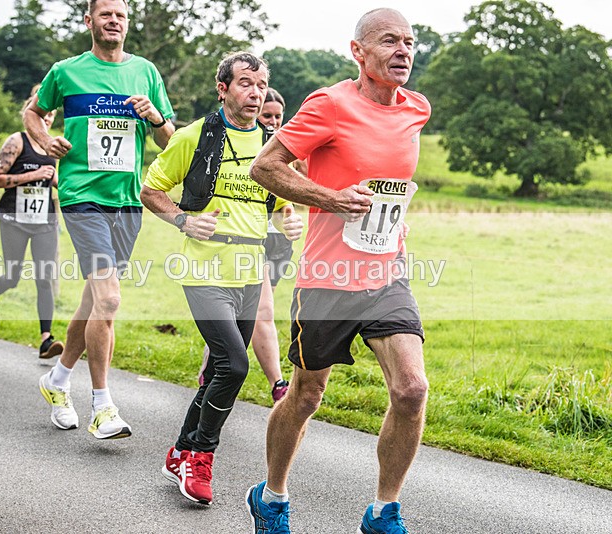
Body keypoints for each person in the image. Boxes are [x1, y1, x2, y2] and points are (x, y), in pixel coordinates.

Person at [245, 9, 430, 534]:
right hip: (326, 276)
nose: (403, 51)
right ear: (359, 52)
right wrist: (332, 198)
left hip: (386, 275)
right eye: (389, 41)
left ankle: (383, 511)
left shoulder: (416, 109)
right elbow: (266, 166)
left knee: (412, 389)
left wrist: (394, 229)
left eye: (409, 42)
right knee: (306, 394)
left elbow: (391, 187)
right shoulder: (329, 104)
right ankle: (272, 495)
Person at [141, 52, 303, 506]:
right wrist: (182, 222)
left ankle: (179, 449)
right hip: (204, 270)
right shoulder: (194, 136)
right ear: (223, 89)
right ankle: (200, 457)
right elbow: (150, 190)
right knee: (234, 364)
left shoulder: (275, 146)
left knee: (217, 367)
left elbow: (278, 204)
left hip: (250, 274)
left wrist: (288, 222)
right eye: (245, 83)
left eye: (261, 84)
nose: (255, 93)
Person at [27, 0, 175, 437]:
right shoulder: (66, 71)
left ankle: (56, 381)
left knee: (94, 300)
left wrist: (155, 117)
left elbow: (169, 142)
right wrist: (44, 140)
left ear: (127, 24)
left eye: (121, 15)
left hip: (126, 200)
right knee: (109, 300)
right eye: (106, 13)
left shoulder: (145, 72)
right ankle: (103, 406)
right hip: (81, 197)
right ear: (89, 20)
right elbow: (33, 111)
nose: (114, 21)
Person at [196, 88, 295, 404]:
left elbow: (287, 203)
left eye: (278, 116)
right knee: (262, 312)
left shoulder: (285, 150)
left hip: (277, 243)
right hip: (244, 243)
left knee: (241, 318)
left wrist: (290, 219)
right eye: (268, 116)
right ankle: (278, 384)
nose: (274, 122)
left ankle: (210, 369)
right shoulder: (238, 146)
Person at [0, 87, 64, 359]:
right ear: (30, 109)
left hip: (44, 219)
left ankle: (46, 339)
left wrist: (54, 181)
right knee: (13, 275)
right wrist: (34, 175)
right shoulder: (16, 142)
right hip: (14, 217)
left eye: (52, 113)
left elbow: (59, 183)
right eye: (43, 111)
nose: (48, 117)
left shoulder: (54, 145)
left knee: (44, 277)